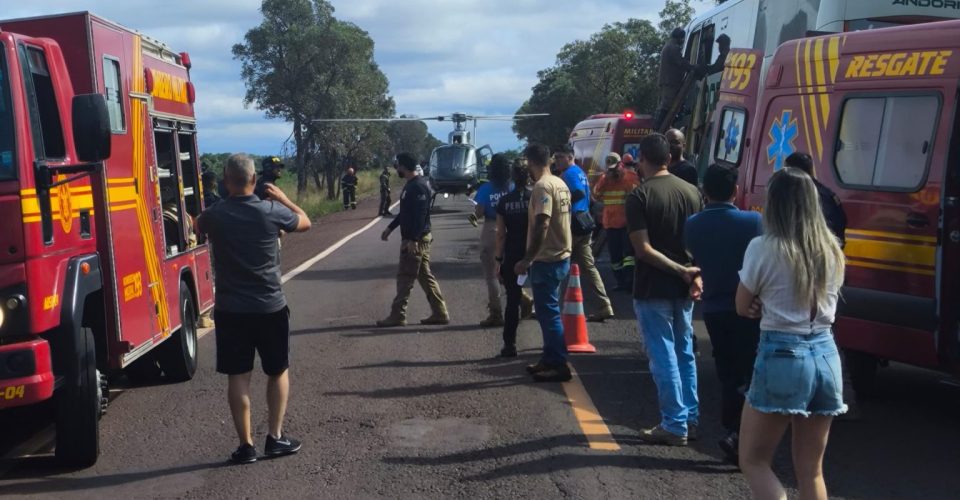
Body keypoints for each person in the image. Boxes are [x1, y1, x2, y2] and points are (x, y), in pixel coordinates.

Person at [735, 167, 847, 500]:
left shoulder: (764, 247)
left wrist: (758, 304)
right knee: (811, 470)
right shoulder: (832, 249)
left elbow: (742, 305)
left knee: (754, 460)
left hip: (782, 353)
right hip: (826, 355)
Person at [195, 153, 311, 464]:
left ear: (226, 181)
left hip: (231, 309)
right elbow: (305, 222)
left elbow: (196, 225)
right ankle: (275, 437)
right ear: (255, 180)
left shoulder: (215, 215)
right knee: (277, 371)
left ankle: (246, 446)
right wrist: (285, 199)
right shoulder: (271, 211)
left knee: (238, 376)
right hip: (269, 306)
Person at [626, 133, 703, 446]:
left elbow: (642, 250)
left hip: (653, 287)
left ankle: (674, 423)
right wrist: (692, 273)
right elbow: (699, 243)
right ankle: (690, 418)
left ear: (642, 159)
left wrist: (680, 271)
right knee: (685, 353)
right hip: (684, 289)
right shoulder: (692, 193)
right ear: (669, 159)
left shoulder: (640, 197)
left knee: (663, 355)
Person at [685, 164, 762, 463]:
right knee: (750, 371)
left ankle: (733, 428)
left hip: (714, 309)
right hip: (750, 309)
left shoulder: (692, 224)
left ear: (705, 191)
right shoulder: (753, 221)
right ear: (736, 191)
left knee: (728, 373)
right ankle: (741, 434)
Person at [515, 144, 572, 382]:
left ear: (531, 162)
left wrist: (527, 258)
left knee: (549, 315)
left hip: (547, 258)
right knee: (550, 312)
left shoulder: (542, 187)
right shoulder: (560, 183)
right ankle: (549, 357)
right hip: (561, 256)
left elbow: (543, 224)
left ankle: (558, 363)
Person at [377, 153, 450, 327]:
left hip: (415, 240)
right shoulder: (411, 185)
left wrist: (413, 240)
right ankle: (440, 312)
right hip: (415, 238)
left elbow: (420, 215)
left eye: (398, 165)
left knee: (405, 277)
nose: (397, 169)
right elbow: (405, 213)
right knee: (425, 277)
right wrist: (390, 228)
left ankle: (398, 315)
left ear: (404, 166)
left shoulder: (418, 187)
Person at [554, 144, 614, 322]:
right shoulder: (579, 172)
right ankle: (605, 304)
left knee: (557, 262)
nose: (557, 161)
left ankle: (549, 303)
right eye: (555, 157)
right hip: (585, 222)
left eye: (560, 157)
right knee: (588, 266)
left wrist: (563, 206)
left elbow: (579, 193)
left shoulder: (569, 174)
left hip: (574, 223)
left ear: (570, 157)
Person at [495, 159, 534, 357]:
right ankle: (550, 346)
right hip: (535, 254)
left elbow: (500, 234)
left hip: (512, 255)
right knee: (546, 301)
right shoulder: (535, 197)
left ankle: (509, 345)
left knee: (512, 301)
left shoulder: (505, 201)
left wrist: (498, 260)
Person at [473, 155, 513, 327]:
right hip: (513, 230)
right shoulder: (512, 187)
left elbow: (479, 212)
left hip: (492, 228)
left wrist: (474, 214)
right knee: (511, 273)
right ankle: (524, 302)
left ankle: (496, 313)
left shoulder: (485, 188)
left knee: (491, 275)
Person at [593, 152, 641, 291]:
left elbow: (637, 195)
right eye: (611, 169)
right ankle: (620, 281)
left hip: (627, 223)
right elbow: (595, 195)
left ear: (621, 165)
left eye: (616, 168)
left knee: (628, 255)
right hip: (611, 223)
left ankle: (629, 282)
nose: (614, 171)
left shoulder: (630, 177)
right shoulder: (604, 179)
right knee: (615, 257)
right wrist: (604, 180)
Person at [784, 152, 847, 247]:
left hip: (815, 252)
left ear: (793, 172)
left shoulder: (810, 194)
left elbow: (828, 227)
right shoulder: (826, 193)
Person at [655, 28, 695, 128]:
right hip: (670, 82)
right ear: (679, 38)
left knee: (666, 105)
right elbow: (681, 62)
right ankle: (658, 127)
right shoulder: (673, 48)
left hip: (668, 82)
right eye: (682, 38)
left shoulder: (668, 46)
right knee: (666, 106)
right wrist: (693, 68)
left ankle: (660, 126)